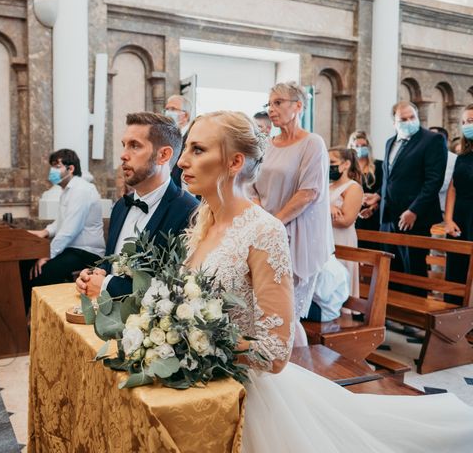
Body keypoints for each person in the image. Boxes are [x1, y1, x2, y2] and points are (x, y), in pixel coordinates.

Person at [179, 110, 473, 453]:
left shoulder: (262, 231)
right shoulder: (203, 224)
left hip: (244, 393)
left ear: (234, 162)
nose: (183, 161)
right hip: (202, 381)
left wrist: (195, 341)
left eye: (198, 150)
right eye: (187, 148)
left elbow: (275, 352)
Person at [76, 112, 198, 298]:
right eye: (124, 145)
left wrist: (106, 286)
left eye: (135, 146)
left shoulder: (190, 212)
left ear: (163, 155)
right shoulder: (120, 207)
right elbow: (112, 264)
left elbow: (177, 291)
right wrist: (94, 275)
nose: (123, 155)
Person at [251, 82, 333, 345]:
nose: (271, 110)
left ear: (297, 106)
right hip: (265, 233)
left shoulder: (312, 144)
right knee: (262, 311)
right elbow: (251, 185)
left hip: (295, 235)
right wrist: (261, 218)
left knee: (286, 315)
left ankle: (297, 370)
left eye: (278, 103)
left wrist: (274, 223)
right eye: (269, 103)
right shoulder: (267, 144)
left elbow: (309, 192)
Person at [376, 101, 447, 296]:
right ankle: (394, 312)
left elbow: (433, 181)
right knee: (391, 267)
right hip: (389, 216)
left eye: (412, 117)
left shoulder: (432, 140)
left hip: (414, 217)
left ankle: (414, 319)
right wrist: (377, 198)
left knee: (413, 269)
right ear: (394, 123)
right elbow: (389, 179)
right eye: (403, 119)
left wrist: (414, 210)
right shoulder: (390, 142)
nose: (409, 122)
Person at [23, 149, 105, 307]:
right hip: (73, 249)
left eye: (57, 165)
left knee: (43, 271)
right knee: (27, 264)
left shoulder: (81, 189)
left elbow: (69, 231)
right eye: (52, 166)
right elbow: (60, 223)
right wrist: (44, 232)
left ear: (71, 168)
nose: (52, 170)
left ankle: (37, 316)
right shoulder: (67, 191)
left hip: (87, 252)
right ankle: (24, 314)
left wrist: (47, 255)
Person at [444, 104, 473, 302]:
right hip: (460, 219)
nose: (466, 125)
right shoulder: (463, 155)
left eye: (470, 121)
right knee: (456, 270)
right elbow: (452, 188)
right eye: (463, 122)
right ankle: (449, 326)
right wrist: (448, 219)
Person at [328, 147, 363, 299]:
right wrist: (327, 208)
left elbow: (345, 220)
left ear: (346, 164)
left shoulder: (353, 187)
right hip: (326, 237)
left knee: (340, 278)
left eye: (332, 162)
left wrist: (322, 212)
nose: (329, 166)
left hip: (342, 238)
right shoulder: (327, 186)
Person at [347, 130, 383, 243]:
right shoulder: (347, 169)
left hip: (374, 215)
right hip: (352, 215)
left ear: (368, 147)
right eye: (356, 146)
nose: (360, 148)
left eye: (363, 146)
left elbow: (384, 189)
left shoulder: (379, 166)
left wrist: (372, 208)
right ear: (351, 148)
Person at [165, 95, 193, 188]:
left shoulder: (192, 137)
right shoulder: (168, 137)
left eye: (173, 109)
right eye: (167, 109)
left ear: (185, 115)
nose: (168, 112)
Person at [430, 126, 457, 216]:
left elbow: (443, 184)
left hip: (442, 209)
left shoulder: (454, 159)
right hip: (422, 208)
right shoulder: (422, 156)